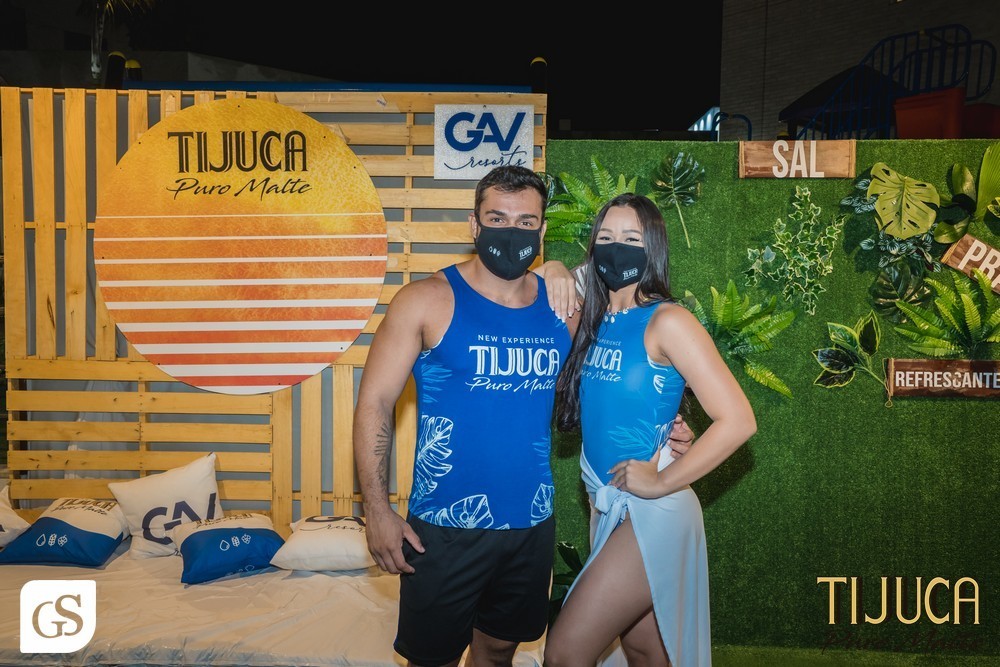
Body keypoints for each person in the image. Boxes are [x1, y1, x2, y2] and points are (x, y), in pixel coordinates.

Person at [353, 166, 696, 667]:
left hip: (530, 526)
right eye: (497, 218)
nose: (511, 231)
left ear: (541, 230)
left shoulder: (565, 310)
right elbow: (375, 403)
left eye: (526, 222)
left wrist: (668, 427)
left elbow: (622, 372)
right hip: (443, 527)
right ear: (474, 224)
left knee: (498, 652)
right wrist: (377, 510)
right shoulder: (423, 300)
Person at [543, 193, 757, 667]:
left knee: (564, 653)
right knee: (643, 651)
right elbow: (546, 282)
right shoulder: (596, 319)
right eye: (605, 237)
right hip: (606, 505)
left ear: (653, 248)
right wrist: (554, 266)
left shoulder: (669, 321)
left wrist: (660, 481)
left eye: (631, 238)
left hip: (652, 511)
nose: (616, 247)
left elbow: (739, 419)